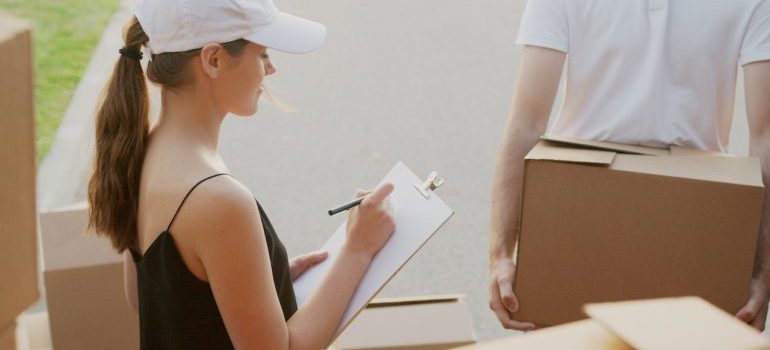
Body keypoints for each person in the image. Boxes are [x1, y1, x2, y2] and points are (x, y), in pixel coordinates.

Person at [87, 0, 396, 348]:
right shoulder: (216, 198)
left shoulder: (140, 155)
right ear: (213, 60)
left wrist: (257, 284)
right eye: (262, 53)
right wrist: (358, 250)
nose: (272, 68)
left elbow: (146, 299)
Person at [489, 0, 770, 331]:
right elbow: (526, 123)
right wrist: (500, 254)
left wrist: (762, 269)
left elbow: (764, 136)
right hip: (581, 209)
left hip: (692, 216)